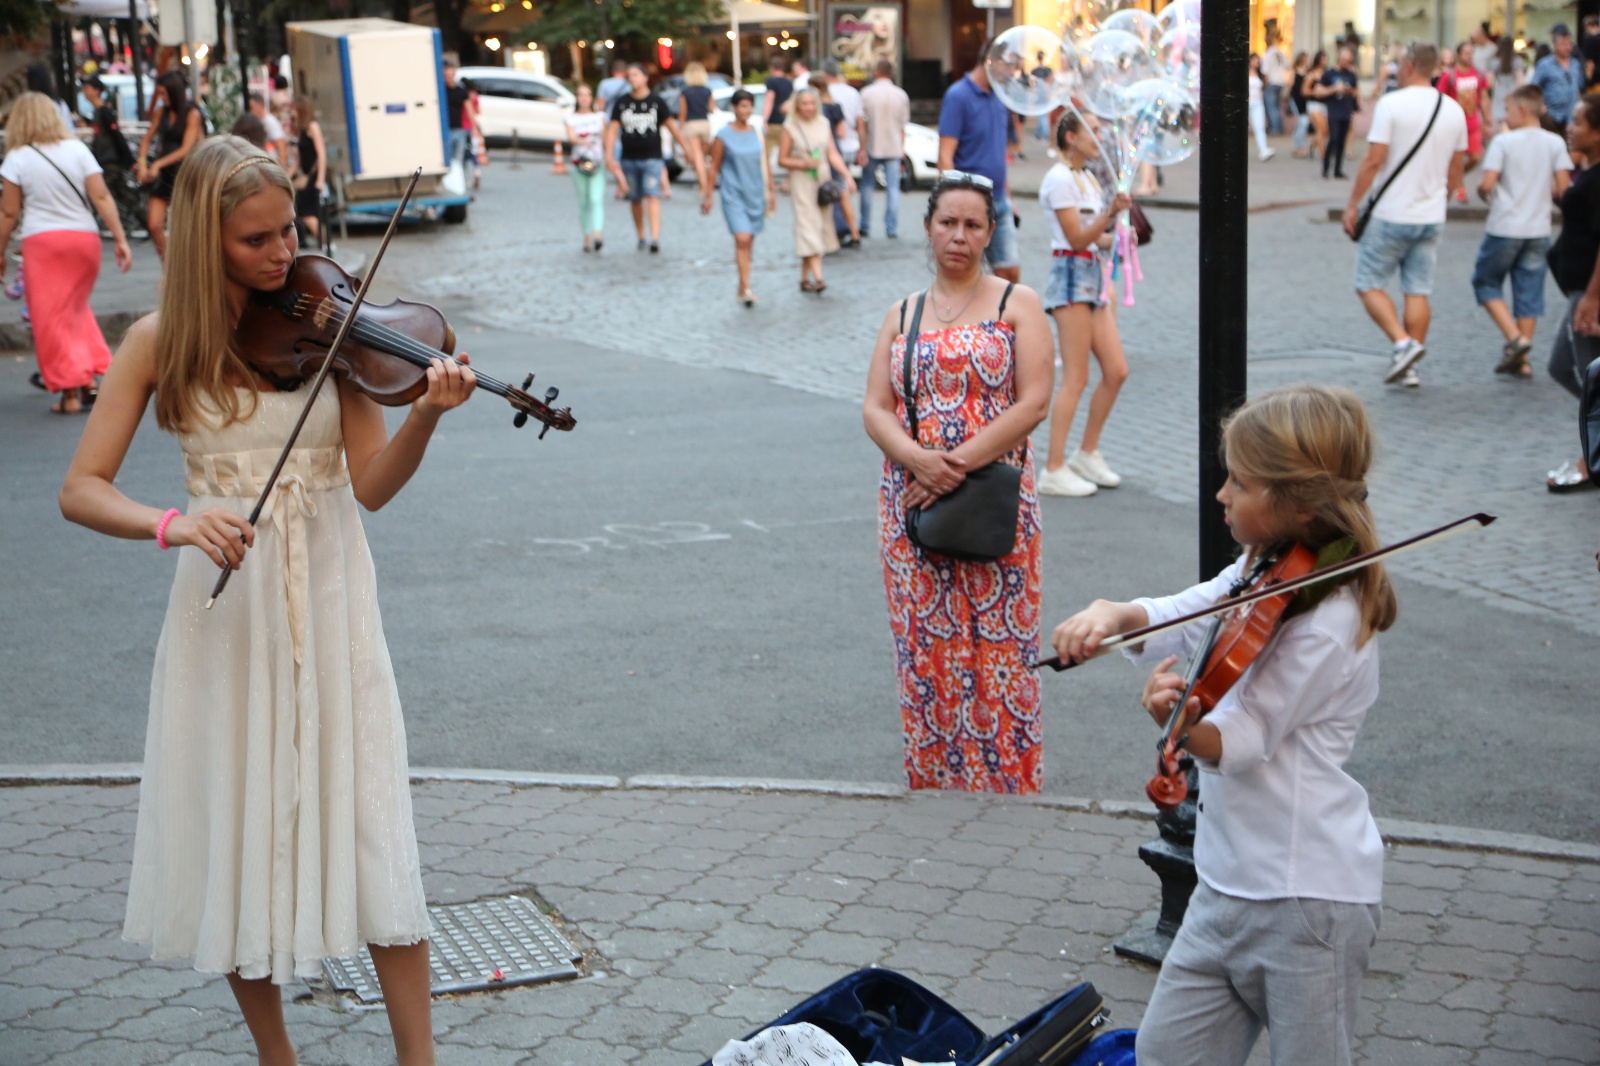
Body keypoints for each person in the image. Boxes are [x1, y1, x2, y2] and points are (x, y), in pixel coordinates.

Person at [57, 135, 474, 1066]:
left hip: (334, 605)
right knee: (242, 832)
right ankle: (276, 1055)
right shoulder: (160, 343)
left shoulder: (336, 330)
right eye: (256, 241)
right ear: (210, 245)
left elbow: (369, 485)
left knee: (372, 825)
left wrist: (426, 419)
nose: (285, 254)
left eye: (289, 229)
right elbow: (82, 488)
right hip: (227, 616)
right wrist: (173, 523)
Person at [1053, 384, 1394, 1066]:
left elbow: (1246, 739)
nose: (1221, 496)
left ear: (1296, 502)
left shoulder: (1329, 620)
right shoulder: (1265, 565)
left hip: (1305, 898)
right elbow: (1199, 606)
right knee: (1167, 1053)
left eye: (1239, 483)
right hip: (1226, 882)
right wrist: (1117, 615)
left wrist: (1178, 727)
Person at [862, 172, 1053, 793]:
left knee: (1000, 649)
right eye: (948, 223)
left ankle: (1006, 787)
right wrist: (917, 461)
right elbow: (874, 407)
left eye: (974, 225)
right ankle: (936, 782)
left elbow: (1034, 403)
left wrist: (953, 465)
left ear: (991, 232)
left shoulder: (1015, 303)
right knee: (926, 648)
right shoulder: (903, 313)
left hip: (993, 496)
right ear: (928, 228)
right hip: (912, 504)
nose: (960, 236)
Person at [1343, 43, 1467, 388]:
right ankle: (1409, 367)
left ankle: (1403, 343)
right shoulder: (1453, 109)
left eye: (1397, 64)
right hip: (1430, 215)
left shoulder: (1392, 104)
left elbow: (1373, 161)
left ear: (1411, 66)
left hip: (1392, 213)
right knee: (1417, 291)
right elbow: (1458, 169)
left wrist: (1353, 203)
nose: (1395, 69)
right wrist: (1439, 195)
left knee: (1367, 282)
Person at [0, 92, 132, 413]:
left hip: (43, 244)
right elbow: (101, 197)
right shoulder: (77, 149)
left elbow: (8, 213)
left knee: (50, 318)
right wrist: (120, 238)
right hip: (84, 242)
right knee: (73, 310)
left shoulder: (17, 158)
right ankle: (88, 380)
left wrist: (1, 250)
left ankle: (69, 394)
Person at [1037, 111, 1133, 498]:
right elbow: (1075, 239)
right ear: (1072, 136)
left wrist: (1120, 237)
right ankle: (1053, 467)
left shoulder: (1087, 178)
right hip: (1072, 275)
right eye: (1094, 130)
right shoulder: (1059, 178)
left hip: (1092, 276)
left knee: (1116, 371)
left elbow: (1094, 239)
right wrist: (1111, 215)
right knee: (1076, 377)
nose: (1102, 137)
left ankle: (1086, 451)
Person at [1473, 84, 1570, 376]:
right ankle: (1523, 361)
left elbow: (1487, 185)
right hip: (1538, 228)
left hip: (1505, 226)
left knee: (1485, 282)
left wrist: (1482, 192)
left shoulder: (1504, 143)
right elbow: (1564, 188)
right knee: (1529, 292)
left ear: (1523, 109)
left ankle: (1516, 340)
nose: (1505, 115)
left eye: (1508, 109)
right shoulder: (1555, 142)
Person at [1544, 94, 1600, 492]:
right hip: (1580, 289)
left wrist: (1593, 298)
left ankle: (1589, 462)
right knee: (1561, 367)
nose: (1570, 126)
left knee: (1590, 377)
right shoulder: (1589, 170)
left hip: (1591, 292)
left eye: (1579, 122)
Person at [937, 50, 1021, 282]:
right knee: (964, 272)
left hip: (1000, 199)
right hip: (970, 203)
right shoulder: (958, 96)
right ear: (989, 61)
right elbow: (945, 157)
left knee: (1010, 272)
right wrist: (952, 203)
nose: (1013, 71)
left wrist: (1008, 196)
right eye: (1010, 64)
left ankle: (1001, 319)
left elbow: (998, 153)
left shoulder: (999, 97)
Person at [702, 88, 776, 306]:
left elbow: (765, 164)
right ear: (734, 108)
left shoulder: (757, 132)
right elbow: (714, 167)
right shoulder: (723, 136)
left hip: (755, 193)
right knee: (741, 238)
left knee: (749, 240)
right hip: (733, 193)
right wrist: (708, 195)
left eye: (749, 106)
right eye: (742, 105)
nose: (746, 110)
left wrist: (771, 189)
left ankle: (743, 283)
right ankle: (746, 286)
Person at [604, 63, 685, 254]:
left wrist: (686, 148)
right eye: (629, 75)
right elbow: (612, 130)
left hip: (652, 157)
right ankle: (641, 235)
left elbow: (672, 127)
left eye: (635, 75)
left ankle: (655, 237)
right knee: (635, 198)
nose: (632, 78)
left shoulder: (656, 102)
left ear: (645, 77)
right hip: (629, 157)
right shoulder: (622, 103)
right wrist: (609, 156)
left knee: (652, 195)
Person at [779, 88, 850, 292]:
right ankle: (819, 277)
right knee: (807, 225)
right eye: (804, 103)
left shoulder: (823, 124)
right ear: (797, 105)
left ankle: (804, 279)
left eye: (812, 103)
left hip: (822, 181)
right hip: (802, 181)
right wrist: (803, 163)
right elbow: (782, 160)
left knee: (819, 225)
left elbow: (832, 154)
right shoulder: (790, 127)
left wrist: (846, 176)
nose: (808, 107)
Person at [134, 70, 204, 262]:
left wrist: (156, 163)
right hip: (164, 172)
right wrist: (142, 163)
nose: (161, 98)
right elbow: (146, 139)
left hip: (185, 171)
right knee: (154, 225)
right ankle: (168, 268)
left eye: (163, 94)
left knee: (188, 227)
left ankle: (189, 267)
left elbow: (186, 148)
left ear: (174, 92)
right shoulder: (161, 113)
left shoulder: (192, 113)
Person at [81, 75, 143, 238]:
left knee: (96, 195)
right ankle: (146, 222)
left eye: (87, 88)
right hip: (105, 162)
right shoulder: (97, 113)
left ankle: (85, 229)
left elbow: (117, 136)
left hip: (110, 163)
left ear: (96, 91)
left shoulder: (105, 112)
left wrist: (130, 160)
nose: (84, 92)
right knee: (124, 196)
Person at [859, 59, 910, 240]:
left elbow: (862, 125)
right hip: (894, 146)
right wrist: (902, 149)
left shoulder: (866, 93)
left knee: (866, 186)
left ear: (877, 72)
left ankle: (864, 225)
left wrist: (862, 148)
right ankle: (891, 227)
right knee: (893, 188)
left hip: (873, 144)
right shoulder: (901, 94)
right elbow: (903, 126)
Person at [812, 76, 863, 247]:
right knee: (842, 192)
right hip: (837, 150)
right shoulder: (835, 106)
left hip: (821, 152)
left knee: (822, 193)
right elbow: (842, 132)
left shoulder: (816, 109)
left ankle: (829, 233)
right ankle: (854, 232)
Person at [1438, 43, 1491, 199]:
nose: (1469, 56)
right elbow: (1440, 98)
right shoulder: (1450, 76)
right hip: (1454, 125)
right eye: (1466, 53)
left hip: (1473, 124)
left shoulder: (1479, 75)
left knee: (1476, 157)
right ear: (1458, 55)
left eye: (1471, 53)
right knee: (1457, 158)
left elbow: (1484, 97)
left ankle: (1453, 179)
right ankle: (1459, 188)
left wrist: (1487, 121)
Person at [566, 83, 607, 253]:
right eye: (580, 94)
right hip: (579, 164)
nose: (584, 98)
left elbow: (606, 138)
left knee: (596, 200)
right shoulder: (571, 118)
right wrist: (584, 141)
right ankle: (586, 237)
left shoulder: (600, 117)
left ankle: (598, 235)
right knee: (584, 203)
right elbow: (571, 137)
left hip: (597, 163)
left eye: (587, 94)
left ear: (592, 98)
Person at [289, 96, 328, 248]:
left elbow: (322, 154)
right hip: (307, 176)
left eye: (294, 109)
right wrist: (287, 174)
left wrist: (320, 179)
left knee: (306, 212)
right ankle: (323, 241)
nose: (292, 113)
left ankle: (325, 241)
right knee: (305, 211)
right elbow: (298, 160)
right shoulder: (302, 129)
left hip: (313, 177)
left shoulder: (313, 127)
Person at [1530, 24, 1583, 132]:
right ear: (1555, 45)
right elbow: (1534, 87)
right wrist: (1541, 106)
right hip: (1551, 115)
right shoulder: (1545, 65)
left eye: (1569, 44)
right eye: (1563, 44)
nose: (1568, 47)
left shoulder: (1575, 64)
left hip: (1570, 116)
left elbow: (1577, 87)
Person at [676, 62, 717, 196]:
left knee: (698, 157)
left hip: (691, 124)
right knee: (703, 157)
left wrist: (680, 125)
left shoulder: (685, 92)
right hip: (705, 123)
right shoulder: (707, 90)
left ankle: (703, 185)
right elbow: (712, 109)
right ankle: (706, 180)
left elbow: (683, 111)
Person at [1321, 48, 1360, 178]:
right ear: (1339, 58)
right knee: (1333, 138)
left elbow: (1355, 92)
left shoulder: (1351, 75)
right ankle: (1326, 167)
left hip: (1346, 110)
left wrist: (1349, 91)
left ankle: (1338, 170)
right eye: (1344, 60)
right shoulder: (1329, 74)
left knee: (1342, 141)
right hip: (1333, 110)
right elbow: (1318, 90)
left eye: (1348, 61)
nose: (1345, 63)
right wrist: (1334, 88)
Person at [763, 55, 796, 191]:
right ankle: (788, 183)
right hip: (787, 122)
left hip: (773, 122)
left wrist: (764, 119)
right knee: (788, 154)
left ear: (772, 68)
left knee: (765, 155)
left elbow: (769, 100)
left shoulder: (771, 81)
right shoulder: (790, 82)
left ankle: (768, 182)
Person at [1490, 36, 1527, 129]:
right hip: (1513, 92)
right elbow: (1520, 81)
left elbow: (1490, 82)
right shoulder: (1517, 60)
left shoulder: (1495, 61)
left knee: (1501, 120)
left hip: (1500, 92)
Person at [247, 91, 289, 168]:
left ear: (261, 105)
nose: (251, 111)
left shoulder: (270, 122)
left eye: (253, 107)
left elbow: (281, 147)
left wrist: (281, 169)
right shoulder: (259, 122)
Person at [1303, 51, 1331, 163]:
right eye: (1323, 59)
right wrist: (1315, 92)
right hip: (1314, 104)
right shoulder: (1312, 74)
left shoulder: (1327, 73)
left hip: (1324, 104)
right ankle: (1323, 154)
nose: (1325, 61)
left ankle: (1312, 145)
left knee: (1325, 130)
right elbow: (1304, 91)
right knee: (1321, 128)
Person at [1247, 54, 1276, 162]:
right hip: (1247, 102)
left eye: (1258, 61)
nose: (1256, 63)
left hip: (1257, 103)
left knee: (1259, 126)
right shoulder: (1245, 73)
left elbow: (1264, 85)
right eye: (1254, 60)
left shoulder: (1260, 75)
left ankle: (1263, 150)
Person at [1262, 27, 1289, 136]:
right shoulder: (1280, 53)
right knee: (1277, 106)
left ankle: (1275, 128)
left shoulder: (1268, 54)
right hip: (1280, 82)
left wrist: (1264, 84)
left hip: (1272, 82)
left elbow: (1265, 72)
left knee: (1271, 106)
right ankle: (1278, 126)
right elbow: (1287, 66)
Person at [1289, 53, 1312, 158]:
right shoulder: (1294, 72)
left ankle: (1296, 145)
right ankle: (1299, 146)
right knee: (1303, 122)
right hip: (1296, 100)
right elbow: (1291, 87)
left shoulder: (1308, 73)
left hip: (1304, 101)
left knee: (1301, 123)